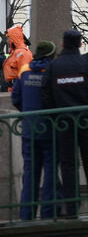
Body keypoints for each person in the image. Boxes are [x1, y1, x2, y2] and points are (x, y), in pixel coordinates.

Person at [41, 29, 88, 216]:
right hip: (85, 120)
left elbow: (45, 94)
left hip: (63, 122)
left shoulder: (54, 66)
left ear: (62, 44)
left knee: (68, 165)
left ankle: (71, 208)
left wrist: (55, 115)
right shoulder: (85, 64)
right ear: (79, 44)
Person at [12, 40, 57, 220]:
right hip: (51, 129)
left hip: (29, 129)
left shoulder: (25, 70)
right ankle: (48, 214)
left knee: (30, 172)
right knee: (51, 172)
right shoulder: (52, 71)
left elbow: (16, 98)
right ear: (51, 55)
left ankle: (26, 215)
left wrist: (28, 113)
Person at [2, 24, 33, 91]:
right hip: (14, 88)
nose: (7, 41)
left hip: (18, 89)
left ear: (14, 38)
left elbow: (25, 75)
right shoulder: (15, 52)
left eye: (8, 38)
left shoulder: (22, 53)